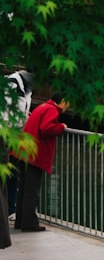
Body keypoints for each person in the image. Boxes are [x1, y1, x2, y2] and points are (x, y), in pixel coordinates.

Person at [13, 92, 69, 232]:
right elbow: (46, 128)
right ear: (62, 101)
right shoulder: (52, 110)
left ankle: (21, 220)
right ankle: (29, 222)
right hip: (34, 154)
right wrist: (61, 127)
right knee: (32, 189)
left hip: (24, 151)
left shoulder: (42, 106)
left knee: (24, 188)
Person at [1, 70, 32, 225]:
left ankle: (11, 209)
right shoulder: (11, 84)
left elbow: (22, 111)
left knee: (14, 173)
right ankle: (8, 209)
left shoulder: (27, 87)